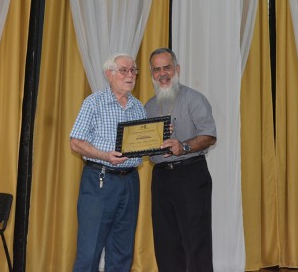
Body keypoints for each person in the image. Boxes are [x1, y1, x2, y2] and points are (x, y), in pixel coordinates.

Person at [69, 53, 146, 272]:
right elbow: (75, 142)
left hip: (130, 181)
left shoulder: (138, 107)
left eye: (133, 70)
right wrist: (105, 155)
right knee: (90, 249)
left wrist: (160, 141)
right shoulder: (94, 102)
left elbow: (143, 143)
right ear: (109, 74)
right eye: (124, 70)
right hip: (99, 180)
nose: (130, 75)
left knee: (123, 250)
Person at [145, 48, 217, 272]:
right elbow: (142, 144)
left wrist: (183, 146)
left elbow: (209, 135)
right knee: (165, 242)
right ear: (152, 74)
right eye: (156, 69)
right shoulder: (147, 107)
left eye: (167, 67)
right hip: (161, 179)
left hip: (190, 175)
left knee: (196, 243)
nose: (162, 74)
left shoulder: (194, 99)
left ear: (177, 69)